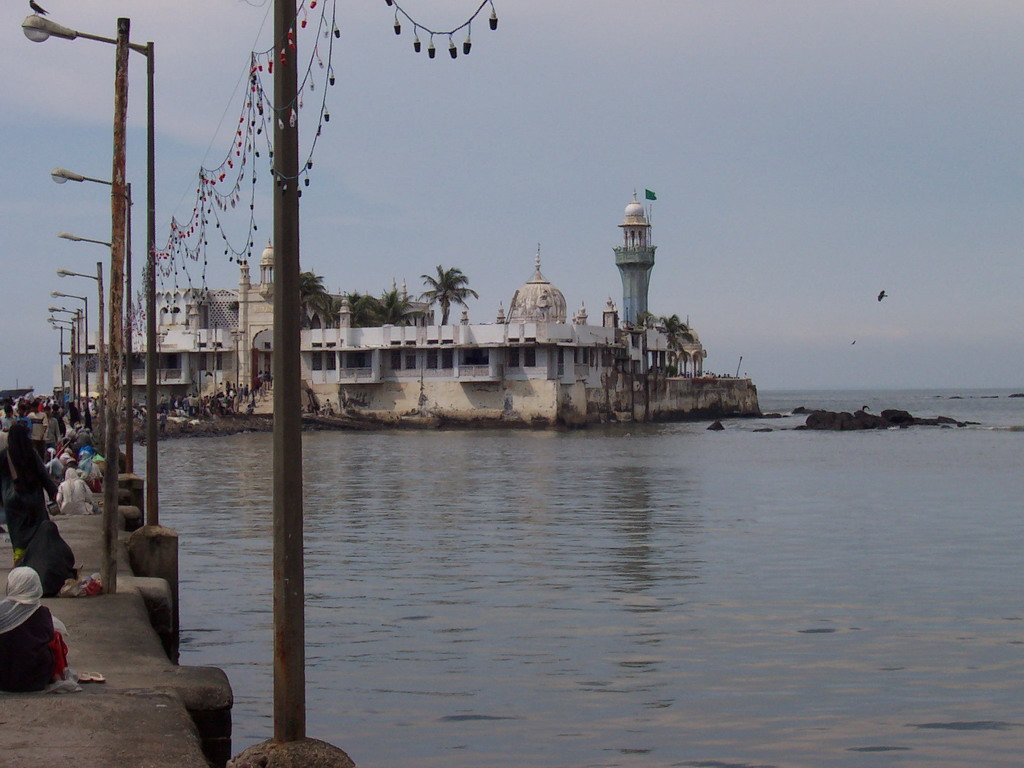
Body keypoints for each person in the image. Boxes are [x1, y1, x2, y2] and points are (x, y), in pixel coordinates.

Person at [0, 567, 70, 692]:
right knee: (55, 638)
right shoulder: (42, 613)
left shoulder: (2, 611)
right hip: (35, 680)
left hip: (3, 680)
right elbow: (48, 637)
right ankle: (57, 677)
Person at [0, 422, 59, 566]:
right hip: (33, 499)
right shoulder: (31, 453)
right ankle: (37, 557)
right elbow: (42, 474)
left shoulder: (3, 455)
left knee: (17, 531)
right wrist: (52, 492)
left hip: (12, 502)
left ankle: (19, 558)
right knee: (38, 528)